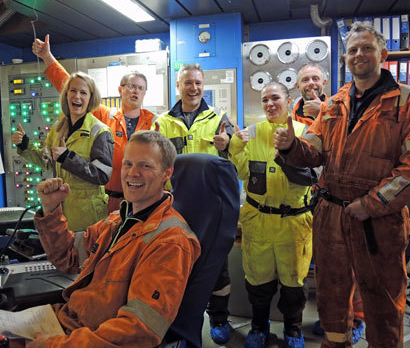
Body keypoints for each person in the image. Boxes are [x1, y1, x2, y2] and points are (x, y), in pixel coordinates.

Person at [0, 130, 201, 348]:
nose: (132, 173)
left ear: (167, 173)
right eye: (127, 164)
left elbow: (139, 330)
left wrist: (55, 345)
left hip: (85, 335)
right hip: (67, 321)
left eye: (145, 166)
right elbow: (67, 256)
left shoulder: (170, 240)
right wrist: (51, 210)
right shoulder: (118, 219)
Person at [274, 21, 410, 348]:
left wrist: (370, 205)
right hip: (331, 218)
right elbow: (311, 152)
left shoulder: (408, 103)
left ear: (382, 54)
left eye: (366, 48)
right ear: (345, 60)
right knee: (331, 294)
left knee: (382, 299)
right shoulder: (333, 106)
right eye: (352, 50)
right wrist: (288, 146)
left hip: (378, 223)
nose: (358, 54)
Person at [154, 63, 235, 344]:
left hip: (211, 207)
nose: (194, 88)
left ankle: (219, 318)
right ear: (178, 86)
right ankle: (182, 322)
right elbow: (156, 162)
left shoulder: (220, 118)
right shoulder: (162, 122)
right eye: (188, 83)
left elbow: (238, 158)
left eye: (198, 83)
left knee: (217, 268)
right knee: (177, 268)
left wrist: (229, 144)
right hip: (175, 208)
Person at [229, 82, 315, 348]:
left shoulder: (304, 132)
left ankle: (293, 330)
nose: (269, 104)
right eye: (265, 100)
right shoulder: (252, 133)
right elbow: (242, 173)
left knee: (294, 284)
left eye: (275, 98)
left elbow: (313, 176)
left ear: (288, 101)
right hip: (259, 221)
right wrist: (234, 147)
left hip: (293, 222)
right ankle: (258, 327)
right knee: (257, 282)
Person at [33, 34, 155, 213]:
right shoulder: (106, 115)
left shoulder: (155, 123)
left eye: (140, 88)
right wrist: (47, 57)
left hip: (144, 203)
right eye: (130, 86)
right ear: (120, 90)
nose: (135, 91)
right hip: (110, 202)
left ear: (145, 92)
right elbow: (72, 87)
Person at [294, 63, 366, 343]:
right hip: (307, 201)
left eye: (315, 78)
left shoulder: (340, 109)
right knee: (324, 269)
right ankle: (332, 320)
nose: (311, 83)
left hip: (338, 197)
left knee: (350, 266)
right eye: (305, 80)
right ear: (297, 86)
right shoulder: (291, 117)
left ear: (324, 81)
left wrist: (321, 116)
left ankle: (356, 318)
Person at [11, 71, 113, 231]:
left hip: (89, 216)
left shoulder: (100, 131)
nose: (77, 96)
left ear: (90, 98)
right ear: (66, 95)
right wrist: (25, 145)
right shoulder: (59, 129)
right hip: (62, 212)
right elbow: (45, 161)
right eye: (73, 91)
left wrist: (68, 158)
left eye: (83, 92)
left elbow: (102, 175)